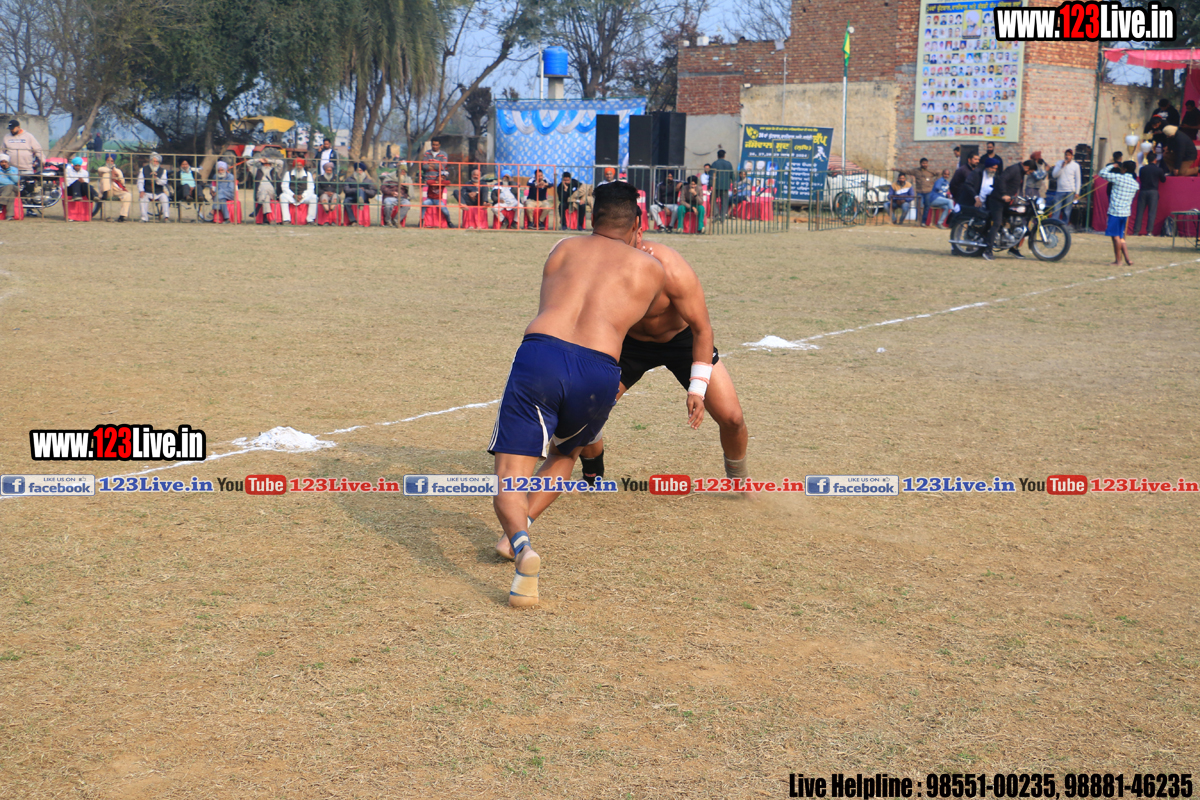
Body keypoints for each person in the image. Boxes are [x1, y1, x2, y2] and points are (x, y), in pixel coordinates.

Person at [487, 181, 665, 608]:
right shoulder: (651, 268)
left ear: (591, 216)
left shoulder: (563, 248)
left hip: (542, 354)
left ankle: (522, 545)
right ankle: (521, 533)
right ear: (636, 223)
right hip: (600, 369)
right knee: (564, 455)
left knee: (510, 473)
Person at [559, 240, 749, 493]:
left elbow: (702, 329)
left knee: (732, 418)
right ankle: (593, 477)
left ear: (638, 232)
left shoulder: (673, 269)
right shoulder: (601, 265)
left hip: (681, 343)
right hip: (628, 343)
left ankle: (740, 482)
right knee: (584, 411)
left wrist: (697, 388)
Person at [981, 158, 1033, 261]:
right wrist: (1004, 194)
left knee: (1016, 221)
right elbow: (1001, 180)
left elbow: (1015, 187)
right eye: (1030, 172)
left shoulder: (1021, 172)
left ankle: (1013, 248)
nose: (1029, 174)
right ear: (1027, 167)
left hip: (1008, 201)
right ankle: (988, 250)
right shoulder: (1014, 169)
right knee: (997, 223)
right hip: (997, 200)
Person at [1099, 160, 1138, 266]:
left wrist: (1112, 165)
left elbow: (1102, 173)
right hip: (1125, 213)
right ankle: (1128, 259)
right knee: (1121, 237)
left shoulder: (1118, 178)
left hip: (1115, 212)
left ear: (1124, 169)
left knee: (1115, 236)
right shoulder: (1135, 184)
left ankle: (1118, 260)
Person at [1133, 151, 1167, 236]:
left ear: (1147, 160)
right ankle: (1149, 231)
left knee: (1140, 212)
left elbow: (1141, 178)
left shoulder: (1142, 169)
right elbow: (1163, 180)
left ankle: (1136, 231)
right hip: (1153, 191)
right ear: (1155, 160)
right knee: (1152, 212)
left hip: (1143, 190)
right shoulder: (1158, 169)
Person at [1049, 149, 1081, 224]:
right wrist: (1062, 167)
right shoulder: (1059, 163)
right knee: (1056, 210)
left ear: (1072, 156)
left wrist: (1077, 192)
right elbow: (1054, 175)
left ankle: (1064, 226)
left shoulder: (1076, 165)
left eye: (1069, 155)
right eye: (1066, 155)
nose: (1067, 156)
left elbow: (1078, 179)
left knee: (1067, 211)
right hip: (1060, 190)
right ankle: (1053, 226)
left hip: (1070, 191)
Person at [280, 158, 317, 223]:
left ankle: (310, 220)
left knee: (314, 197)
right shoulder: (288, 174)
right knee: (282, 196)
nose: (299, 167)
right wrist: (293, 195)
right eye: (297, 165)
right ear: (295, 165)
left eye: (300, 165)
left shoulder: (308, 174)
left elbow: (311, 188)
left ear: (303, 166)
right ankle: (286, 219)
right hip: (292, 197)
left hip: (303, 197)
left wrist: (303, 196)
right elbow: (284, 187)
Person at [97, 153, 131, 222]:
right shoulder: (103, 169)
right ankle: (106, 193)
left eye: (112, 161)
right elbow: (100, 169)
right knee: (106, 175)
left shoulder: (118, 171)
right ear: (106, 161)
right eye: (108, 160)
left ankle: (122, 216)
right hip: (107, 190)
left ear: (114, 162)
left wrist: (116, 177)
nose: (110, 162)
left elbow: (123, 182)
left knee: (128, 195)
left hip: (116, 190)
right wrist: (111, 172)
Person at [138, 152, 171, 222]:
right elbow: (140, 181)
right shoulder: (143, 169)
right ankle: (144, 218)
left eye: (156, 161)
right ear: (150, 161)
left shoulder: (163, 171)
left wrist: (156, 178)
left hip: (159, 192)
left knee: (165, 198)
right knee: (142, 198)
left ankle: (166, 217)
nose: (155, 163)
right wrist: (141, 191)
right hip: (147, 191)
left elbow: (164, 182)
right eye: (153, 161)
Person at [711, 149, 735, 220]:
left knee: (712, 199)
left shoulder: (714, 164)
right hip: (725, 186)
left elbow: (711, 175)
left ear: (717, 156)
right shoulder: (728, 164)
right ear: (724, 156)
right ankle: (723, 216)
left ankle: (716, 214)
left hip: (716, 186)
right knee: (724, 202)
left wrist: (710, 185)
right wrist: (734, 186)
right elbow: (732, 175)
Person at [912, 158, 938, 225]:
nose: (925, 164)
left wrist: (933, 181)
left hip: (928, 192)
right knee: (919, 206)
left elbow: (939, 174)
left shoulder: (930, 171)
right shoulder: (916, 171)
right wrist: (896, 169)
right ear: (920, 164)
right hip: (919, 192)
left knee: (927, 206)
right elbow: (906, 171)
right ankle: (918, 220)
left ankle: (923, 221)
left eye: (926, 163)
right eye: (923, 163)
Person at [0, 153, 18, 220]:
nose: (4, 164)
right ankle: (9, 216)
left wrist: (8, 170)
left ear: (8, 162)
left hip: (14, 187)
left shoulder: (14, 169)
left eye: (5, 162)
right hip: (2, 188)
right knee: (11, 194)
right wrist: (10, 183)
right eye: (2, 162)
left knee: (10, 186)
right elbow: (1, 181)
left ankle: (1, 203)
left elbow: (16, 180)